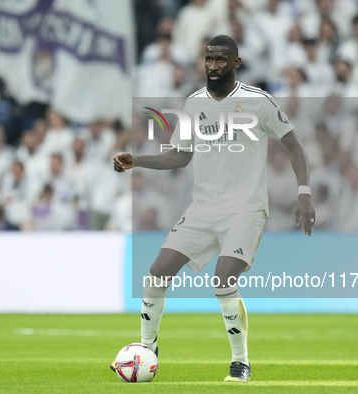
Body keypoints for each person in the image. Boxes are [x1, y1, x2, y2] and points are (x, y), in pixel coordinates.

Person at [112, 35, 315, 382]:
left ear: (236, 63)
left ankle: (241, 361)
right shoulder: (193, 104)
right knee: (157, 271)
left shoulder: (258, 101)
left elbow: (294, 146)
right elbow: (180, 155)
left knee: (223, 279)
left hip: (246, 208)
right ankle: (147, 348)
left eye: (221, 60)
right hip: (204, 207)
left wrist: (304, 192)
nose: (213, 66)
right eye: (209, 60)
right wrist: (137, 161)